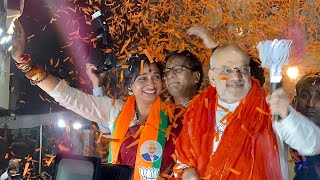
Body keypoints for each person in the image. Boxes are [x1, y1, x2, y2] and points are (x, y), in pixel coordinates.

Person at [11, 19, 172, 180]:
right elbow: (67, 95)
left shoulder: (174, 116)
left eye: (155, 77)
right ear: (130, 85)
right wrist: (23, 61)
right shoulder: (115, 110)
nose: (151, 83)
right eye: (142, 78)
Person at [174, 26, 320, 180]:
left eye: (242, 70)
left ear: (249, 73)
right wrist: (187, 173)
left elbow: (312, 145)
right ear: (212, 78)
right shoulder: (197, 110)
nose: (236, 77)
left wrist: (287, 115)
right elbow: (183, 160)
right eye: (227, 71)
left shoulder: (269, 108)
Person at [290, 72, 320, 179]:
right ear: (294, 101)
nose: (310, 104)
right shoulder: (278, 141)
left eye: (319, 98)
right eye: (305, 96)